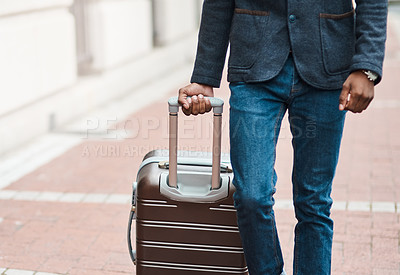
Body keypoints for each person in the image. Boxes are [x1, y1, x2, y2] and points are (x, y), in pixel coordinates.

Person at [178, 1, 388, 274]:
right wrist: (205, 76)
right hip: (254, 69)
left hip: (327, 67)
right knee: (252, 196)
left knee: (314, 202)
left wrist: (367, 68)